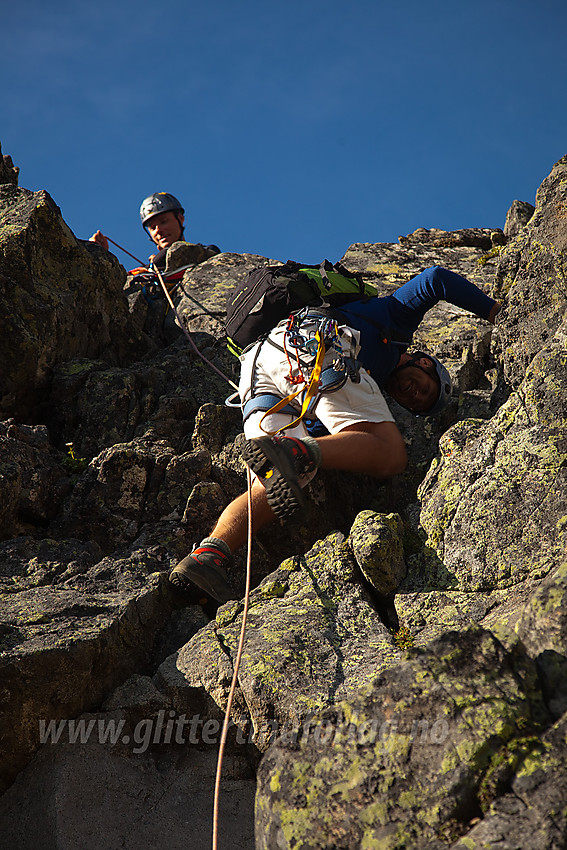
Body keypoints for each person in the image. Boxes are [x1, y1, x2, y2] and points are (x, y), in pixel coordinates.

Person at [168, 265, 501, 603]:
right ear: (425, 363)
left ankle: (208, 556)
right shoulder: (396, 322)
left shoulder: (363, 389)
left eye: (416, 403)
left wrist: (302, 450)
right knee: (390, 452)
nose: (415, 396)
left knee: (279, 479)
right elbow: (435, 280)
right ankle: (294, 450)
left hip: (257, 369)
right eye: (425, 389)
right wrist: (496, 312)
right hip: (307, 339)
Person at [90, 192, 220, 270]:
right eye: (152, 227)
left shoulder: (207, 252)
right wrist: (101, 255)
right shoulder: (147, 272)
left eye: (164, 222)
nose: (158, 230)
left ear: (180, 219)